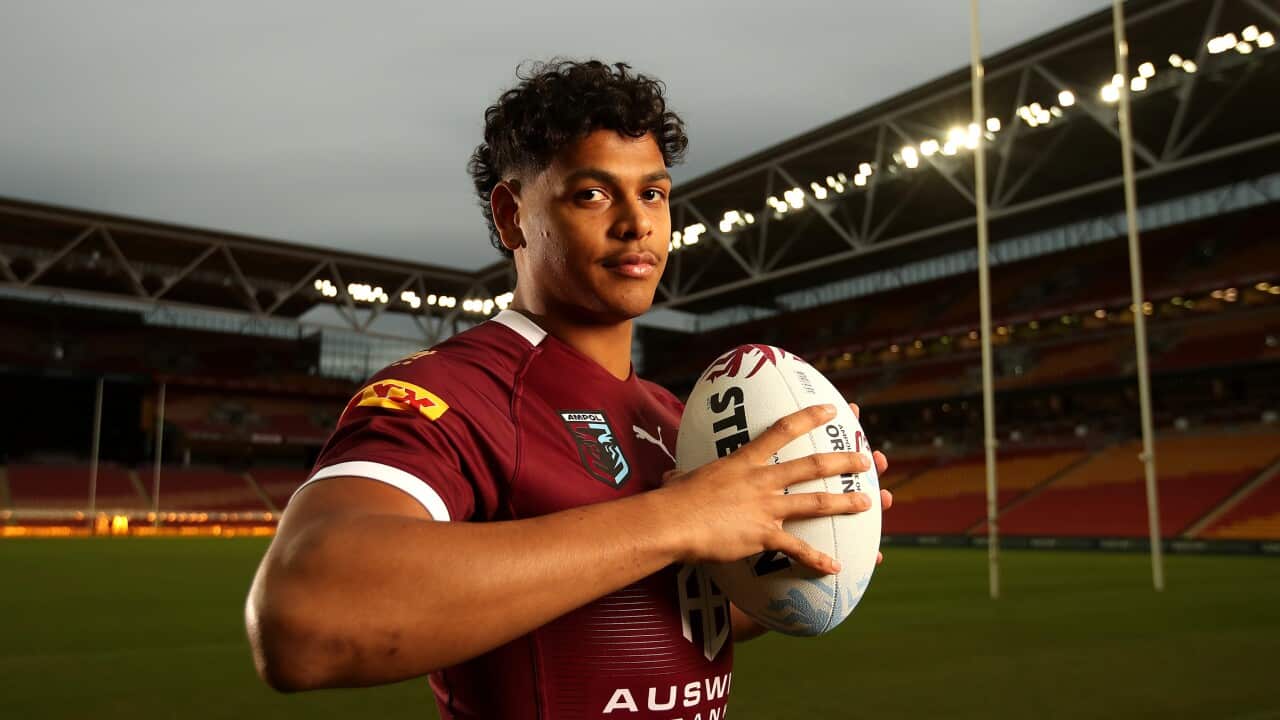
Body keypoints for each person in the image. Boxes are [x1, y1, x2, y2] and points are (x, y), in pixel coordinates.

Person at [245, 59, 892, 719]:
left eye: (654, 194)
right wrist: (678, 519)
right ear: (511, 216)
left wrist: (812, 537)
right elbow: (301, 622)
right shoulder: (455, 390)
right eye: (592, 193)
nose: (636, 224)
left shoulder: (679, 420)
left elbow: (670, 614)